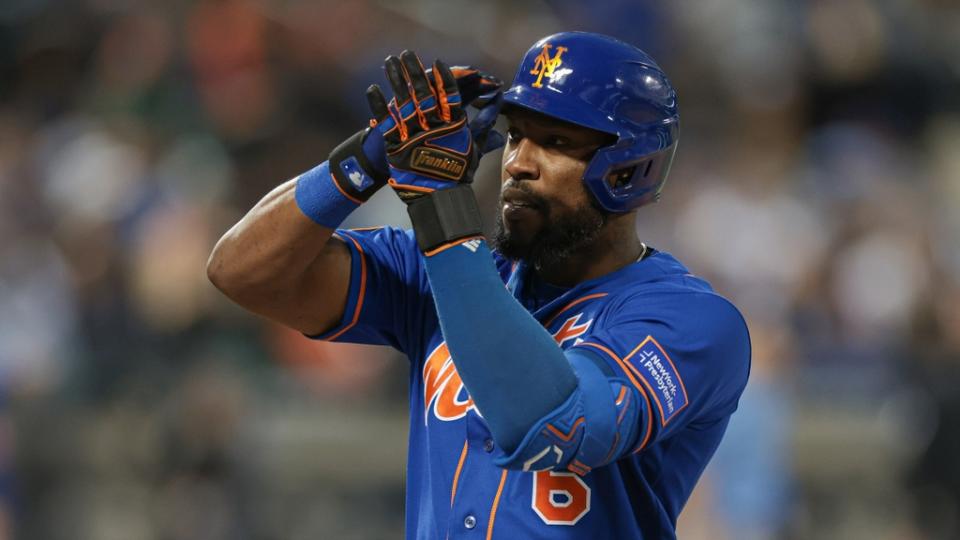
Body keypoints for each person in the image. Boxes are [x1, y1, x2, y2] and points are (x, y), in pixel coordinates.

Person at [207, 31, 750, 540]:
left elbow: (553, 426)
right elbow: (244, 273)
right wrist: (365, 161)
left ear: (630, 168)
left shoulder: (692, 321)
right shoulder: (439, 272)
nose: (517, 163)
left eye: (555, 141)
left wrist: (442, 211)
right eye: (516, 134)